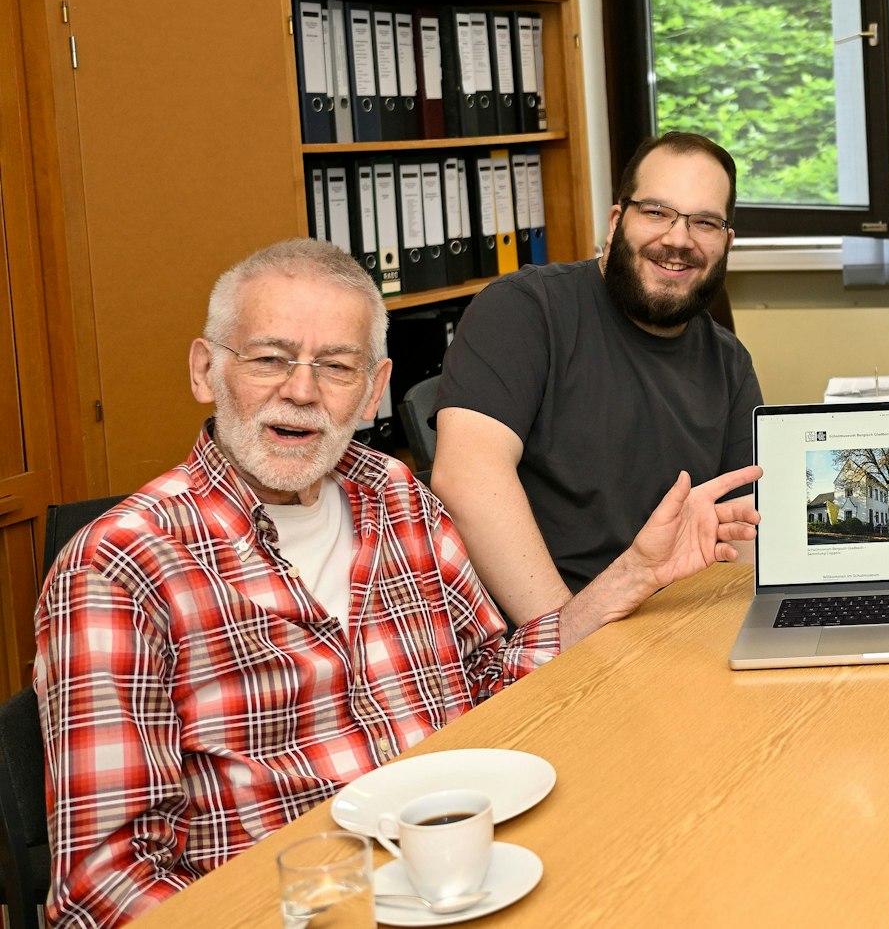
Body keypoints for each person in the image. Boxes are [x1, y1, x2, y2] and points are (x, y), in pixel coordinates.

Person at [35, 240, 759, 929]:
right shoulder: (118, 569)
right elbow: (106, 888)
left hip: (473, 878)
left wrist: (636, 572)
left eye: (337, 367)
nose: (301, 391)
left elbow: (490, 679)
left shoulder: (398, 497)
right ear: (205, 370)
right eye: (268, 358)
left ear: (376, 387)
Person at [432, 131, 762, 625]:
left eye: (705, 222)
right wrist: (570, 633)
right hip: (544, 636)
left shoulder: (729, 361)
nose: (678, 239)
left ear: (726, 242)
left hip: (673, 628)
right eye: (655, 212)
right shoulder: (524, 311)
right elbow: (465, 479)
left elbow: (747, 529)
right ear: (615, 222)